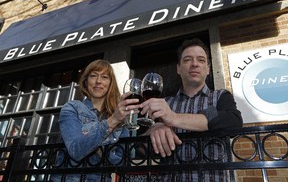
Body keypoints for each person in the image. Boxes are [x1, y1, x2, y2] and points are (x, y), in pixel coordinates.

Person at [140, 38, 243, 181]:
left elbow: (233, 121)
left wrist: (174, 118)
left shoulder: (221, 96)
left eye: (201, 60)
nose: (194, 64)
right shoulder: (164, 103)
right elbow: (141, 151)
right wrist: (153, 130)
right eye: (187, 60)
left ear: (208, 69)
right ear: (178, 68)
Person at [50, 59, 141, 182]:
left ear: (110, 84)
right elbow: (76, 150)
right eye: (93, 76)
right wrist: (112, 122)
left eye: (104, 77)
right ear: (86, 82)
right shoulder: (72, 108)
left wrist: (97, 147)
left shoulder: (119, 116)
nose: (98, 81)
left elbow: (123, 164)